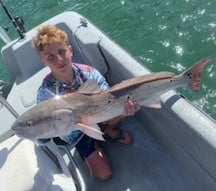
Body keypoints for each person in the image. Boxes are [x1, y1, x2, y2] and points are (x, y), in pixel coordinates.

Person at [33, 24, 139, 181]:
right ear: (43, 61)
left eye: (62, 51)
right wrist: (38, 133)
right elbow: (44, 134)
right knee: (104, 174)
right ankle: (93, 144)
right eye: (50, 57)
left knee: (129, 103)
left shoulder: (89, 74)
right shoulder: (45, 93)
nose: (59, 59)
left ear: (70, 50)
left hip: (100, 116)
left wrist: (124, 110)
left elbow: (110, 99)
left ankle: (109, 128)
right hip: (76, 134)